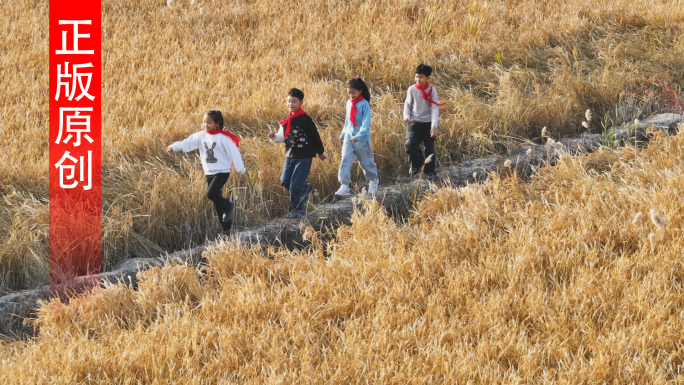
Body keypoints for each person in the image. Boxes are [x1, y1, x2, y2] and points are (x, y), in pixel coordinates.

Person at [166, 110, 245, 236]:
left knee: (211, 194)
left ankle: (229, 205)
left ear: (216, 123)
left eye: (209, 122)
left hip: (222, 171)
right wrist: (174, 147)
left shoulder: (223, 138)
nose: (205, 125)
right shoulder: (201, 136)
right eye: (204, 122)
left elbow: (234, 152)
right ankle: (226, 230)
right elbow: (187, 143)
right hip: (209, 172)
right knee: (217, 203)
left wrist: (240, 168)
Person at [268, 88, 327, 219]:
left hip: (304, 157)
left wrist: (320, 152)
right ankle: (305, 189)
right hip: (290, 156)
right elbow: (282, 137)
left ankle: (297, 209)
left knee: (295, 184)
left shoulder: (306, 120)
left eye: (294, 101)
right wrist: (273, 137)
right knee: (284, 181)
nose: (291, 104)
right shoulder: (286, 120)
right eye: (289, 101)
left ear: (301, 102)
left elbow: (315, 137)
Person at [335, 77, 379, 196]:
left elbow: (365, 123)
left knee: (365, 162)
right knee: (345, 160)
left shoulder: (364, 104)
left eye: (353, 93)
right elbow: (347, 121)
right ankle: (344, 185)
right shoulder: (349, 103)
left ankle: (373, 180)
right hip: (349, 137)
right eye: (349, 93)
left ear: (360, 91)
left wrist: (359, 135)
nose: (351, 95)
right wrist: (343, 133)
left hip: (361, 138)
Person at [403, 64, 444, 180]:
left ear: (428, 78)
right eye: (416, 77)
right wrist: (406, 116)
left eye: (421, 77)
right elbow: (407, 104)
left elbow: (435, 108)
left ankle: (430, 170)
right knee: (409, 145)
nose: (418, 79)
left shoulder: (432, 90)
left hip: (427, 123)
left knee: (429, 148)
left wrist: (434, 126)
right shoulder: (412, 89)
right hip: (414, 122)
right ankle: (416, 164)